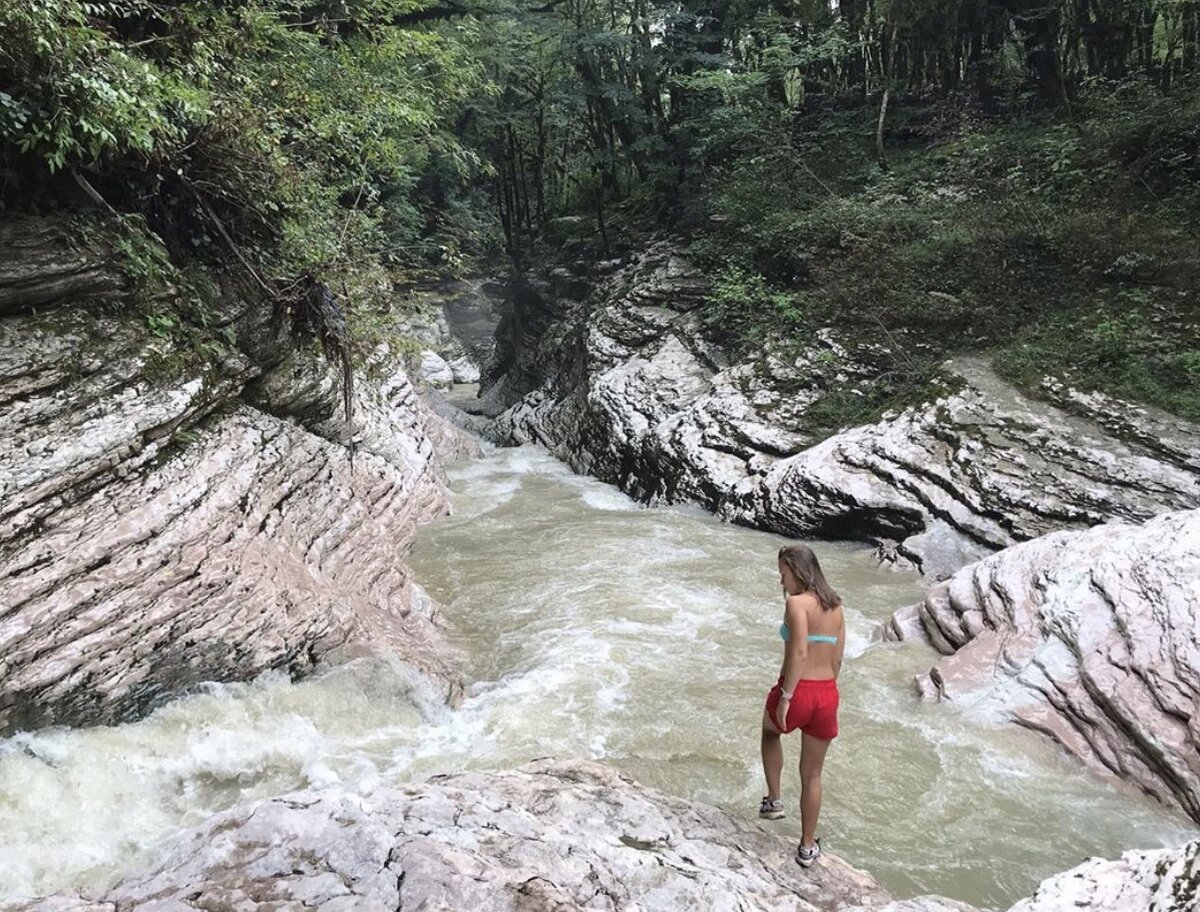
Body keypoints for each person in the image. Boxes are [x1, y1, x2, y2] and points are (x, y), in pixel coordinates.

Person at [758, 543, 846, 868]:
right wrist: (825, 694)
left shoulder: (796, 604)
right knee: (812, 775)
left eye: (783, 575)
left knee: (769, 732)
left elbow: (798, 654)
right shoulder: (836, 607)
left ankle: (774, 799)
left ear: (796, 570)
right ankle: (808, 847)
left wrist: (787, 697)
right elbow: (837, 659)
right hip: (827, 694)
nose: (782, 583)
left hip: (797, 690)